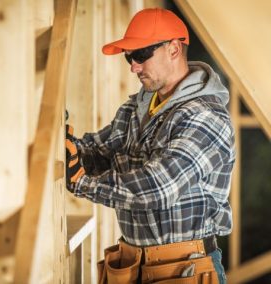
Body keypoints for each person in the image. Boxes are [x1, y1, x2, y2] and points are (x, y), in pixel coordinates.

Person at [65, 8, 234, 284]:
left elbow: (159, 187)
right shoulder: (138, 107)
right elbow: (101, 151)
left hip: (184, 270)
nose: (134, 66)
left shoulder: (206, 117)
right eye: (130, 57)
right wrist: (69, 148)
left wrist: (83, 184)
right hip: (133, 266)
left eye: (141, 55)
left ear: (174, 49)